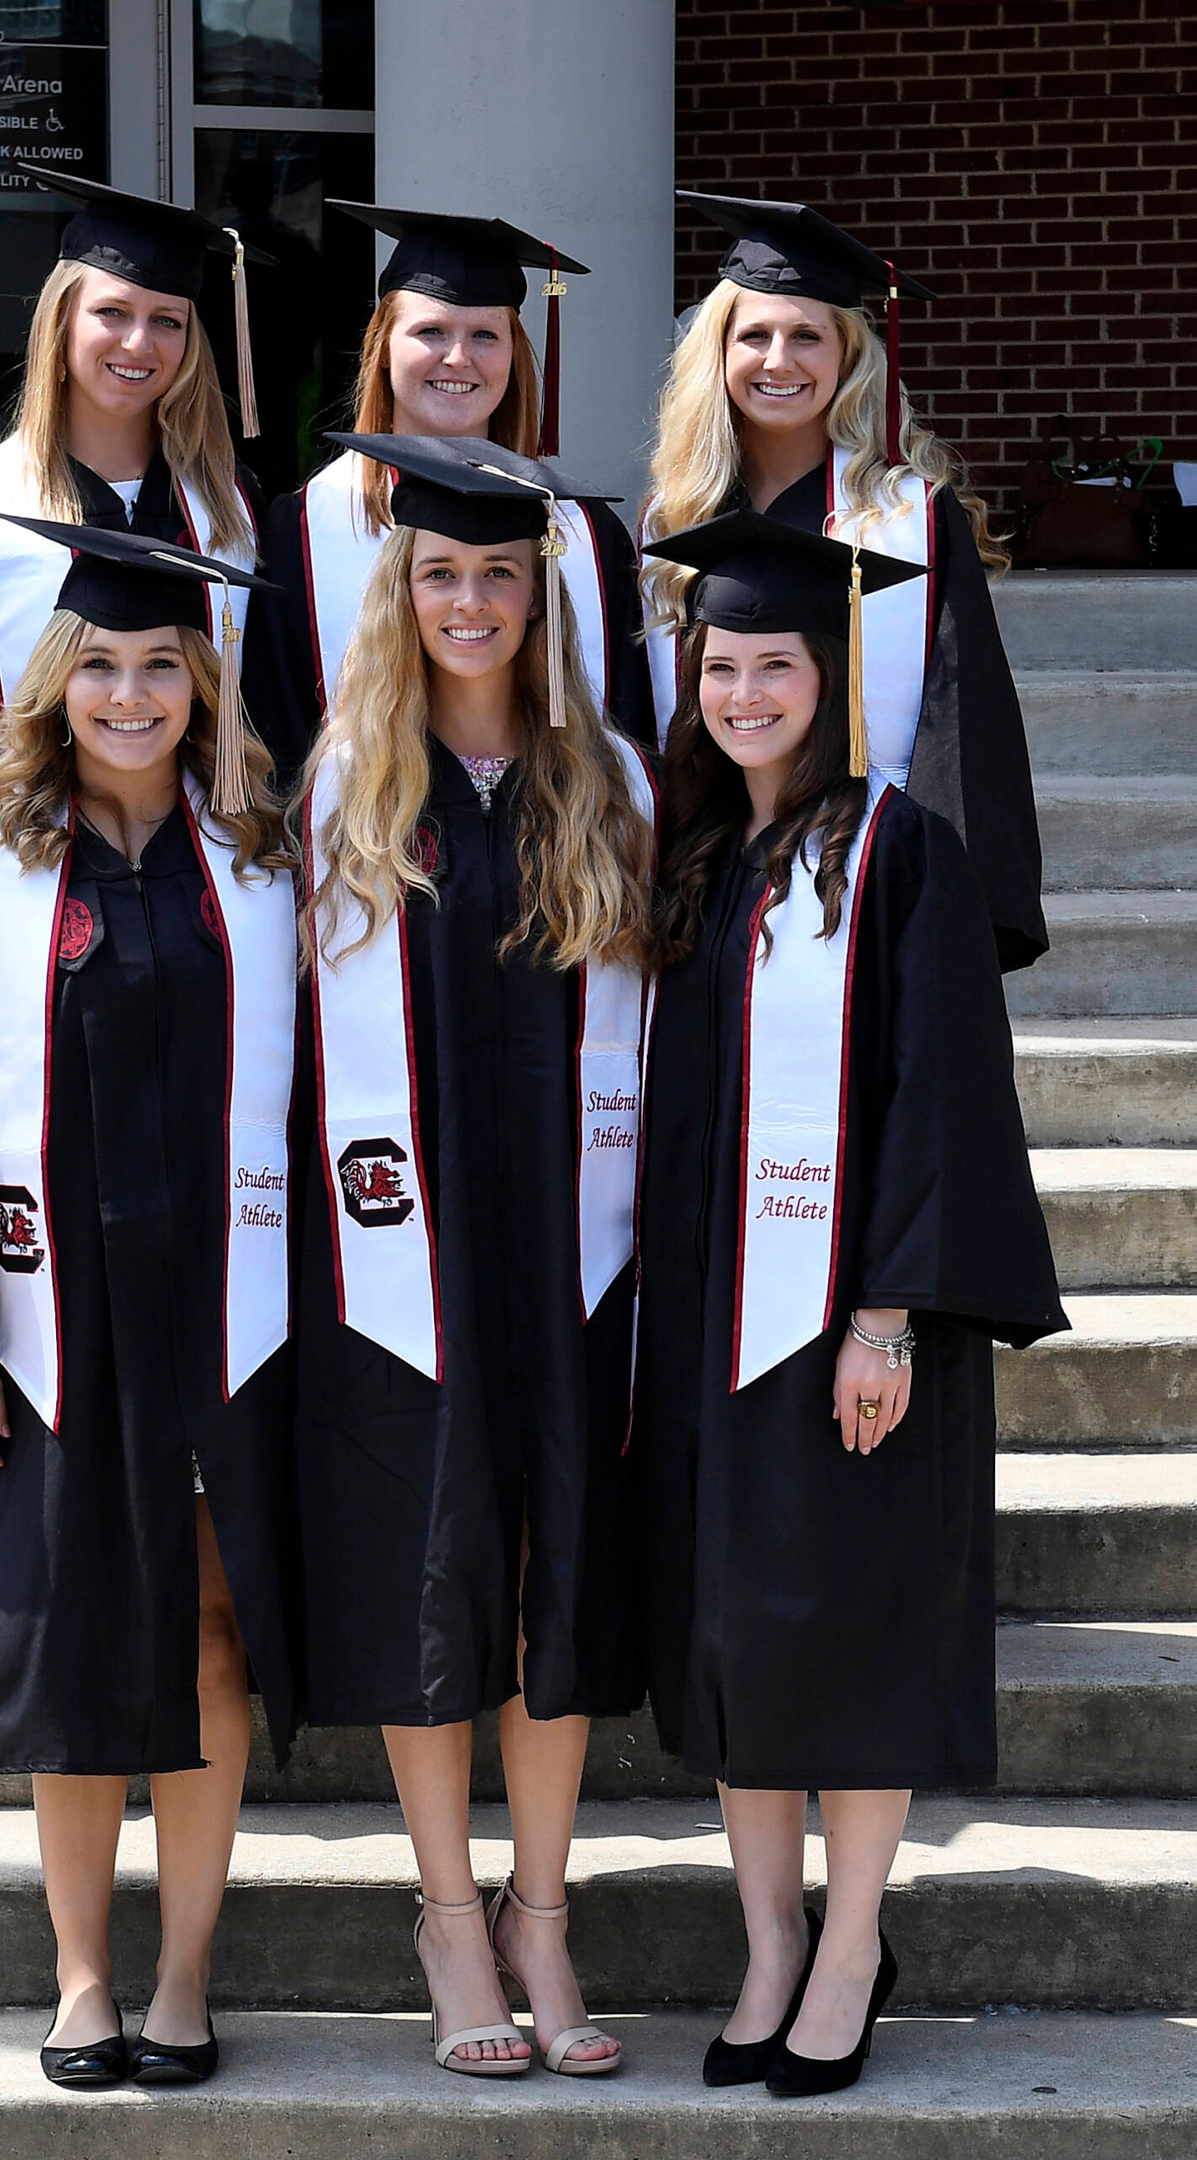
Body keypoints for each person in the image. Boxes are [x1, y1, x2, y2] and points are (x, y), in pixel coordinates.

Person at [0, 524, 300, 2090]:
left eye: (159, 666)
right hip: (57, 1307)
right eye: (99, 666)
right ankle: (81, 1979)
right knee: (70, 1637)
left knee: (212, 1635)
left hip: (232, 1305)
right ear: (55, 685)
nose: (129, 693)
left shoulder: (262, 856)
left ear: (201, 683)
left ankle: (183, 1978)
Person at [629, 512, 1066, 2097]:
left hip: (846, 1335)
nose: (745, 693)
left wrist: (884, 1315)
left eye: (775, 665)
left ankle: (853, 1944)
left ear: (831, 675)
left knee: (853, 1637)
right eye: (720, 665)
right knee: (739, 1641)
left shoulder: (899, 850)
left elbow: (939, 1091)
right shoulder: (695, 854)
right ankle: (764, 1946)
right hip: (707, 1330)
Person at [295, 434, 655, 2080]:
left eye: (499, 572)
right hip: (404, 1262)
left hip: (571, 1258)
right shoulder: (343, 785)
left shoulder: (614, 788)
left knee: (555, 1573)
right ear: (402, 589)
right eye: (441, 572)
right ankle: (449, 1921)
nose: (470, 598)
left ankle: (543, 1915)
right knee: (437, 1577)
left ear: (543, 592)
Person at [0, 168, 273, 974]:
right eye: (111, 312)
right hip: (38, 909)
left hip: (214, 908)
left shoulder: (235, 513)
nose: (139, 344)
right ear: (61, 323)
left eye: (168, 321)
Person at [642, 192, 1046, 973]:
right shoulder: (671, 520)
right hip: (699, 873)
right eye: (752, 335)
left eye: (807, 336)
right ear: (716, 355)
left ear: (849, 355)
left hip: (858, 867)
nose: (777, 360)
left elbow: (957, 716)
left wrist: (935, 895)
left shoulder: (906, 516)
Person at [244, 204, 653, 775]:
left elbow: (628, 725)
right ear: (382, 347)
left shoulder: (584, 533)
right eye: (430, 331)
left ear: (515, 355)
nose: (458, 357)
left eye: (485, 334)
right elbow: (278, 733)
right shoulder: (304, 529)